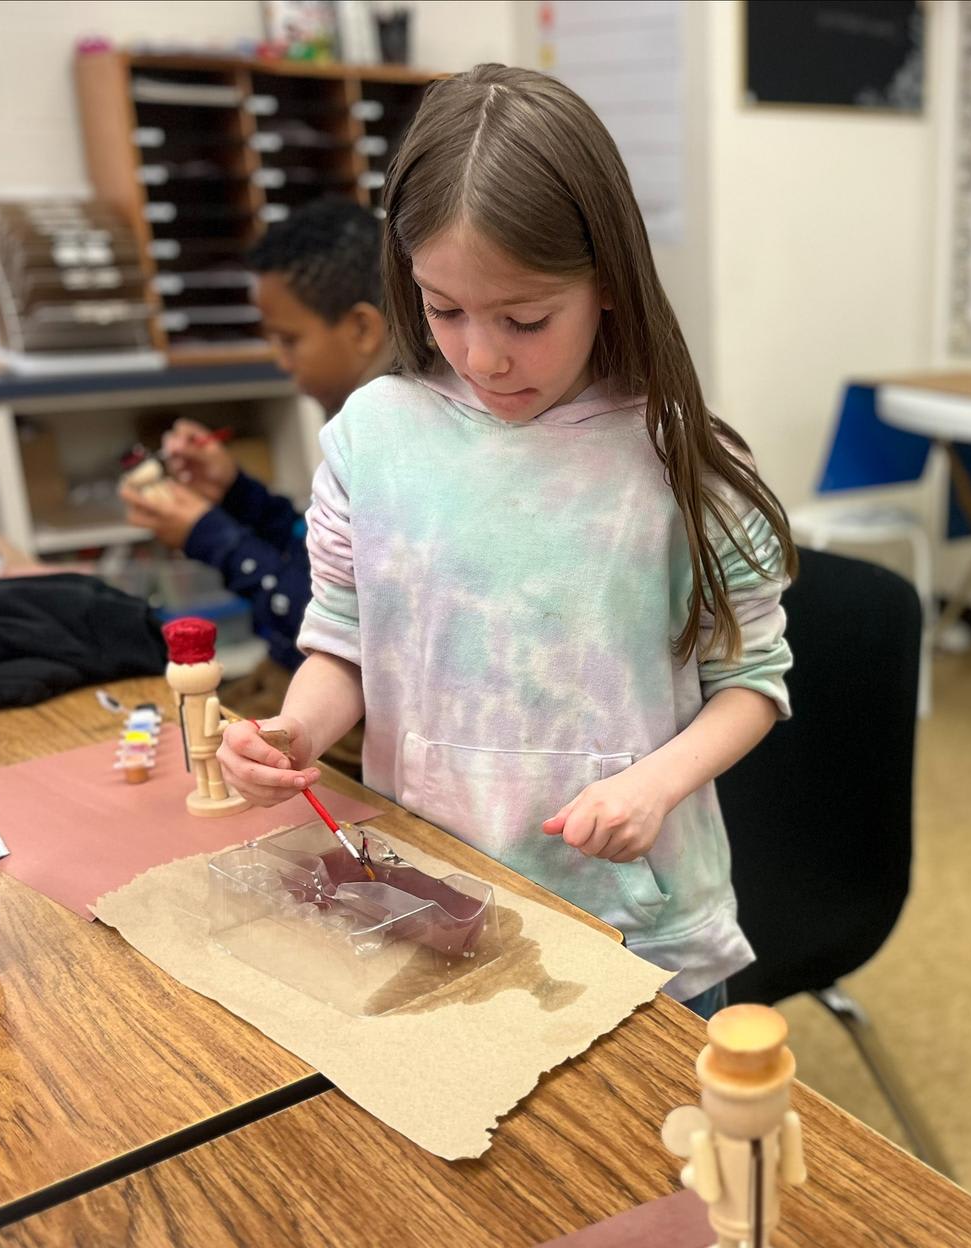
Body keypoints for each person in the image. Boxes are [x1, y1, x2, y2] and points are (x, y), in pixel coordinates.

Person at [213, 67, 795, 1020]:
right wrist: (294, 733)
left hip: (637, 929)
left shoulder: (683, 457)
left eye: (526, 319)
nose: (483, 356)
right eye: (443, 309)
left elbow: (754, 683)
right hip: (430, 901)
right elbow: (345, 644)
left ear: (608, 283)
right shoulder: (374, 436)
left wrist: (654, 787)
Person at [120, 199, 388, 772]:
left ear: (363, 328)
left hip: (346, 726)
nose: (280, 359)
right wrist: (235, 494)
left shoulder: (391, 444)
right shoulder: (355, 426)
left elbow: (325, 622)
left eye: (289, 339)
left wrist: (209, 535)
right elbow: (313, 553)